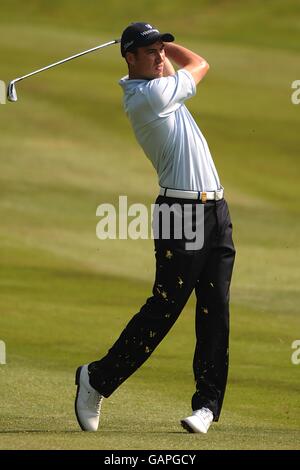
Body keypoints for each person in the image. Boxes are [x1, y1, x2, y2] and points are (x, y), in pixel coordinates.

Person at [75, 22, 235, 434]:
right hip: (180, 214)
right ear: (130, 58)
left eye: (162, 50)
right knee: (165, 308)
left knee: (215, 308)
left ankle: (206, 406)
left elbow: (179, 64)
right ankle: (96, 379)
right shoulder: (150, 96)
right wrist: (175, 46)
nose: (161, 57)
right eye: (151, 52)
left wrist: (158, 46)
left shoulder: (158, 84)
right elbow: (201, 63)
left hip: (215, 210)